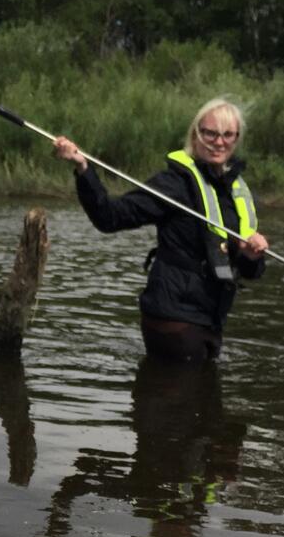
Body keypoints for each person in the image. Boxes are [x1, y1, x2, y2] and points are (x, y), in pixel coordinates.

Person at [54, 98, 270, 362]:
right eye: (210, 133)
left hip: (210, 319)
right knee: (177, 398)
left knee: (200, 400)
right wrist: (83, 168)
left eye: (227, 135)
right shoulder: (173, 184)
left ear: (236, 139)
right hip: (172, 318)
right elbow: (109, 218)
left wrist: (252, 256)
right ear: (196, 135)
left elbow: (250, 271)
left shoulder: (235, 193)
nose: (219, 141)